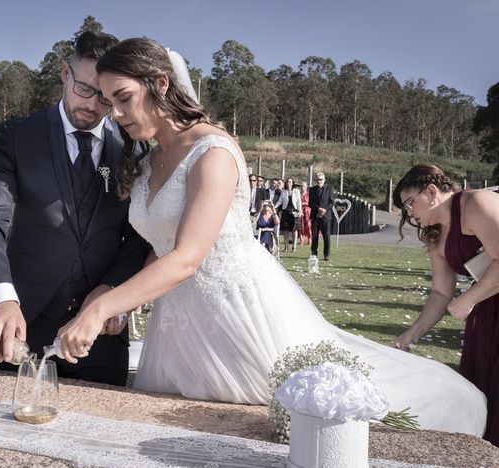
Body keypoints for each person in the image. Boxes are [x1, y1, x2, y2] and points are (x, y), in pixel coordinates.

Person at [55, 37, 486, 437]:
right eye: (111, 102)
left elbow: (188, 256)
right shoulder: (150, 163)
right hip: (177, 324)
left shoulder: (213, 153)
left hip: (237, 311)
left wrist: (103, 308)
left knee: (287, 416)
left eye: (124, 98)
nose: (115, 114)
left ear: (161, 84)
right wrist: (120, 298)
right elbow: (162, 247)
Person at [0, 31, 150, 387]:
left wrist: (112, 290)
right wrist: (1, 298)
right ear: (66, 74)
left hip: (101, 333)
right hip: (25, 323)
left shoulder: (132, 149)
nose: (94, 105)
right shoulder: (17, 137)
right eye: (84, 88)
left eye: (106, 97)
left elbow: (138, 237)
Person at [392, 164, 499, 446]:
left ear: (431, 191)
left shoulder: (475, 203)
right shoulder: (435, 234)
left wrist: (469, 299)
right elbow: (440, 293)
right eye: (406, 208)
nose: (410, 213)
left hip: (483, 302)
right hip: (488, 313)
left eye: (411, 203)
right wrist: (412, 333)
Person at [309, 172, 334, 260]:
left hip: (326, 216)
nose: (319, 181)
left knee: (326, 236)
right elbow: (310, 203)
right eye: (318, 180)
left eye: (321, 179)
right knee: (314, 236)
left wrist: (324, 209)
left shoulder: (329, 189)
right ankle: (313, 253)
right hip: (315, 215)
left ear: (324, 180)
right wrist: (318, 209)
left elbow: (331, 202)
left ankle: (326, 255)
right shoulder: (312, 189)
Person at [275, 176, 301, 252]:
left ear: (293, 183)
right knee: (285, 230)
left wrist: (300, 211)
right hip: (285, 212)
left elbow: (299, 201)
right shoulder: (283, 191)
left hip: (294, 212)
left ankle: (294, 246)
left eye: (290, 182)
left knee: (294, 230)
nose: (289, 183)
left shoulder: (296, 191)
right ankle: (286, 247)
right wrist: (274, 207)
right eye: (287, 182)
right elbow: (280, 201)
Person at [298, 181, 312, 245]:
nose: (302, 187)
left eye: (304, 186)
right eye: (301, 186)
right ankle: (301, 239)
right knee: (300, 225)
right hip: (300, 210)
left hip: (307, 210)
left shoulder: (309, 194)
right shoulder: (298, 194)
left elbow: (311, 203)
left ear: (306, 187)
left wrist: (304, 203)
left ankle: (309, 238)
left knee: (308, 225)